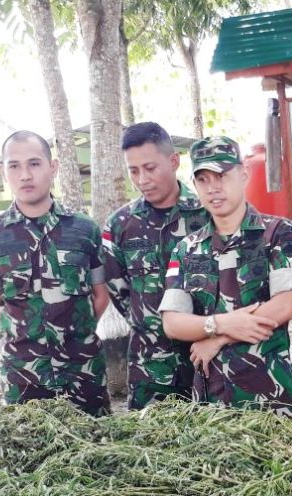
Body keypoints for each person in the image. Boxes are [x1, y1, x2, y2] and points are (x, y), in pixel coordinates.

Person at [160, 135, 292, 496]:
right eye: (203, 178)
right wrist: (222, 324)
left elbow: (285, 306)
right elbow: (172, 324)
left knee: (280, 492)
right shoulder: (189, 247)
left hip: (268, 394)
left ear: (243, 174)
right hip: (212, 401)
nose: (214, 187)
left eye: (223, 175)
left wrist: (218, 337)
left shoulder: (276, 234)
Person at [0, 129, 111, 496]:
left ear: (52, 167)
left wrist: (70, 338)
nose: (25, 174)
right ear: (4, 173)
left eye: (33, 163)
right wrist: (32, 342)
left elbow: (99, 295)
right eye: (14, 165)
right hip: (24, 371)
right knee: (34, 463)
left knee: (94, 453)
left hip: (80, 366)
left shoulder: (85, 230)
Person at [103, 122, 211, 409]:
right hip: (149, 368)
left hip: (207, 359)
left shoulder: (208, 215)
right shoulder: (119, 226)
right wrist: (153, 325)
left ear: (174, 161)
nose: (142, 179)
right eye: (133, 171)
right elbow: (121, 294)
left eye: (150, 168)